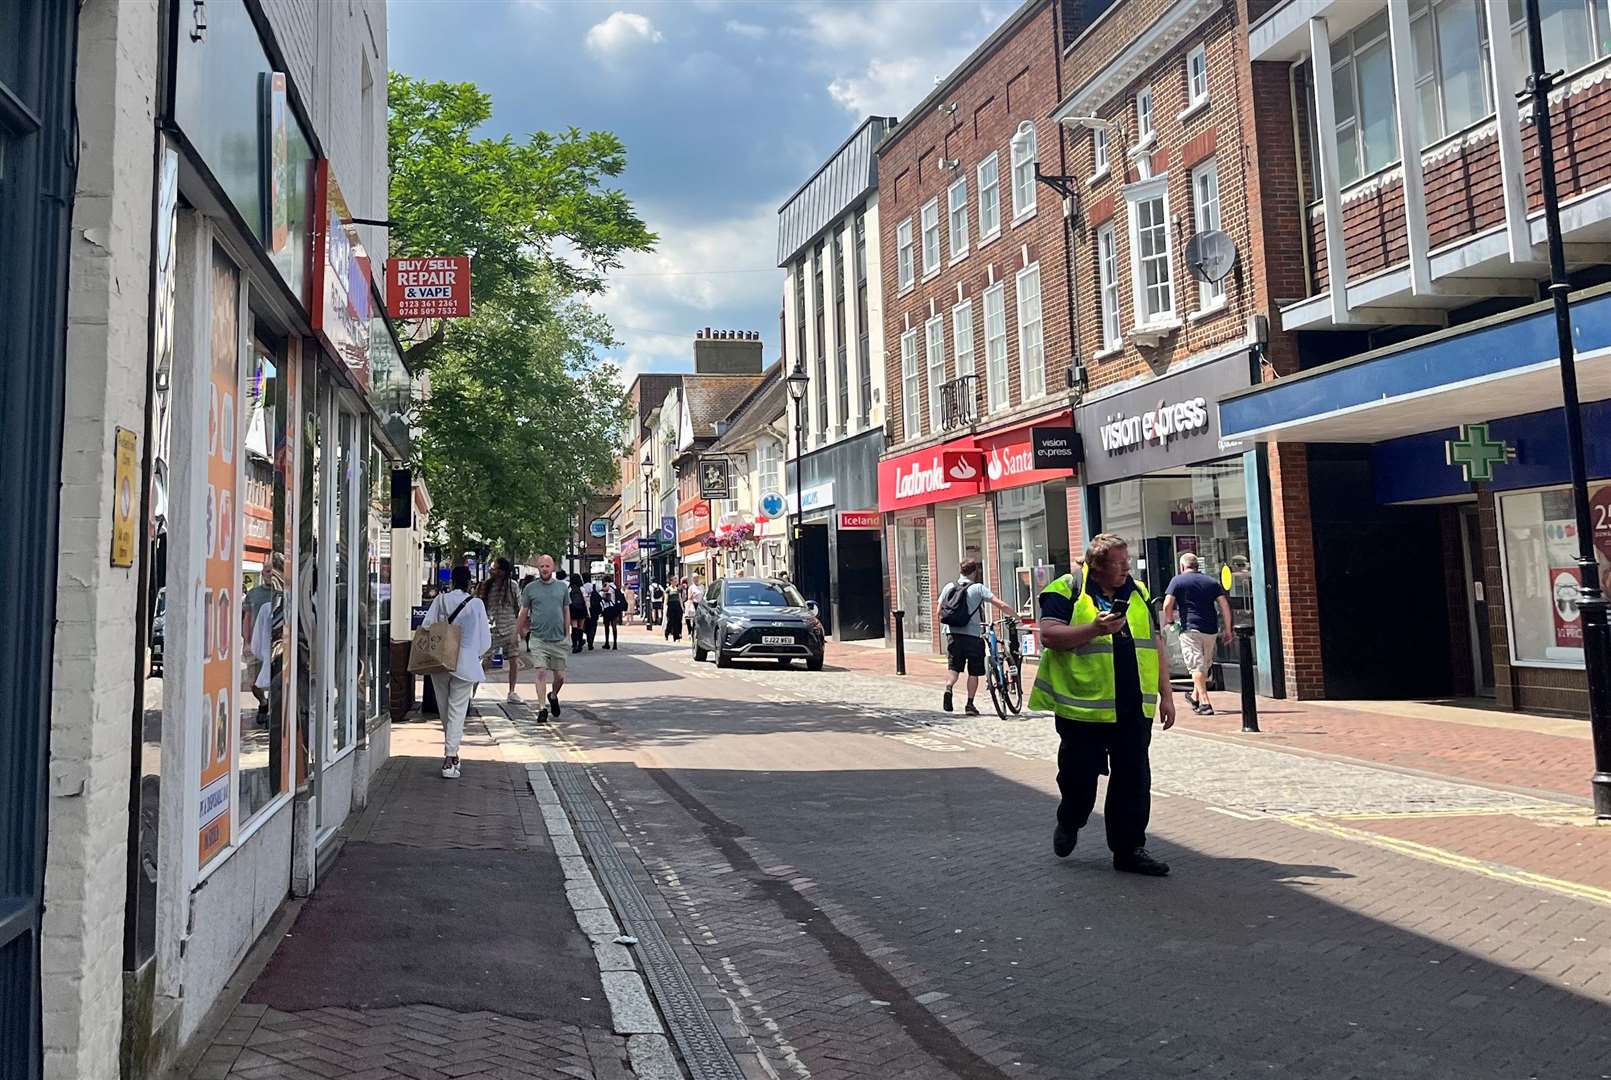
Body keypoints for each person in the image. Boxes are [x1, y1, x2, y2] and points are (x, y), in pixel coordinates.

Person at [1030, 534, 1175, 876]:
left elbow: (1153, 642)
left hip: (1132, 707)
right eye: (1119, 563)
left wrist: (1166, 694)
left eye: (1127, 561)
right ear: (1096, 566)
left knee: (1134, 779)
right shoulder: (1066, 589)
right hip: (1084, 708)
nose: (1127, 568)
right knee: (1079, 779)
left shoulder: (1137, 592)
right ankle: (1070, 819)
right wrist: (1094, 629)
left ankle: (1129, 850)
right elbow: (1049, 635)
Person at [419, 565, 491, 779]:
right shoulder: (476, 604)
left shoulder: (440, 601)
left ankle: (453, 753)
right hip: (465, 663)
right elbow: (485, 641)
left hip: (440, 661)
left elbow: (426, 626)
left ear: (451, 582)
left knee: (445, 710)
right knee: (457, 711)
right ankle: (449, 757)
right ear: (470, 582)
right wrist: (474, 654)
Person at [936, 559, 1015, 715]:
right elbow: (999, 604)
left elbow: (939, 611)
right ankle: (970, 705)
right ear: (974, 572)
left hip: (952, 634)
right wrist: (1016, 616)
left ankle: (949, 688)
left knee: (954, 668)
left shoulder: (949, 587)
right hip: (972, 635)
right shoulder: (978, 588)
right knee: (974, 671)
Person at [1162, 552, 1234, 716]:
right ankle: (1194, 696)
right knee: (1203, 665)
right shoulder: (1211, 582)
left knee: (1196, 666)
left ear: (1182, 566)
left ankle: (1205, 703)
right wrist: (1228, 629)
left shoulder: (1177, 581)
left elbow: (1167, 604)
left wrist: (1170, 620)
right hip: (1210, 629)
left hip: (1190, 628)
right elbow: (1224, 605)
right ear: (1197, 566)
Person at [517, 555, 571, 722]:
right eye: (541, 566)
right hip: (538, 638)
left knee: (560, 677)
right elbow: (523, 612)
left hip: (558, 639)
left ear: (553, 567)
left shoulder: (562, 588)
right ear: (538, 568)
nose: (544, 569)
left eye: (547, 566)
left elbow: (566, 611)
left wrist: (567, 633)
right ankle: (542, 708)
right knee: (540, 671)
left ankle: (553, 695)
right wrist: (518, 632)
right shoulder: (530, 589)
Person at [479, 557, 524, 704]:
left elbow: (519, 607)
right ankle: (471, 688)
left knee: (513, 659)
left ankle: (512, 691)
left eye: (495, 568)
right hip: (492, 628)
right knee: (484, 660)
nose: (492, 570)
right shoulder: (486, 586)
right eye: (492, 568)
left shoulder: (512, 586)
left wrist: (520, 628)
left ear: (503, 571)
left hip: (510, 627)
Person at [599, 578, 622, 650]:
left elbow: (605, 596)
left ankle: (607, 643)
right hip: (615, 608)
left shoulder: (607, 586)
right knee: (614, 626)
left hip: (608, 608)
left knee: (607, 626)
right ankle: (615, 644)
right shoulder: (615, 587)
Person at [568, 574, 589, 653]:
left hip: (573, 609)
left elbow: (567, 600)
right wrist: (588, 612)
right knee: (581, 627)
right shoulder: (582, 588)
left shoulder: (569, 589)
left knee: (574, 627)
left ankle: (574, 645)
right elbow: (586, 600)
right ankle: (580, 644)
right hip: (582, 609)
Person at [664, 577, 685, 642]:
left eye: (676, 581)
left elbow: (680, 598)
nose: (676, 582)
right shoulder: (668, 589)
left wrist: (682, 607)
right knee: (670, 621)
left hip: (677, 606)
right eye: (674, 581)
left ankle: (676, 637)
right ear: (671, 582)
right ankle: (667, 633)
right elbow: (666, 599)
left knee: (677, 622)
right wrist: (665, 607)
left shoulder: (678, 589)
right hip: (671, 606)